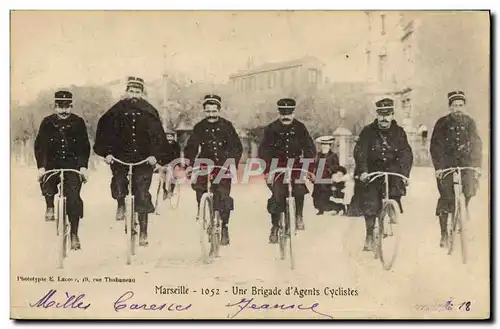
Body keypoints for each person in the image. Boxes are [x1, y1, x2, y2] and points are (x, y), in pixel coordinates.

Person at [93, 76, 168, 247]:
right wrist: (107, 153)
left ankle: (143, 231)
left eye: (138, 91)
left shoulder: (150, 111)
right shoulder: (115, 111)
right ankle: (120, 203)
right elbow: (104, 132)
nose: (134, 94)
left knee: (142, 193)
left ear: (142, 93)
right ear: (126, 92)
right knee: (119, 182)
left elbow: (158, 137)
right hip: (120, 159)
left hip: (144, 160)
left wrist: (155, 156)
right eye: (131, 91)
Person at [353, 98, 413, 251]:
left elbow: (406, 153)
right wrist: (364, 171)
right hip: (372, 172)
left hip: (393, 172)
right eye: (381, 114)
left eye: (387, 114)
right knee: (370, 203)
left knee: (395, 191)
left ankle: (392, 208)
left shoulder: (399, 132)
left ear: (392, 115)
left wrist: (404, 174)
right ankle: (369, 235)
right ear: (377, 115)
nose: (384, 118)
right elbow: (360, 152)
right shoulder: (368, 131)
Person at [183, 94, 243, 246]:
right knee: (199, 188)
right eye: (208, 111)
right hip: (204, 163)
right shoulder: (199, 127)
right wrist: (190, 163)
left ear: (219, 110)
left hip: (223, 165)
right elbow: (191, 146)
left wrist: (232, 162)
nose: (211, 114)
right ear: (204, 111)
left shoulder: (227, 126)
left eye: (214, 111)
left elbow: (236, 146)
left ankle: (224, 227)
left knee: (223, 196)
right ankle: (203, 211)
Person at [34, 90, 90, 250]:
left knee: (73, 198)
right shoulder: (47, 122)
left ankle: (74, 233)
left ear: (71, 106)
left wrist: (83, 167)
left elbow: (84, 146)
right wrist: (41, 167)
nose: (64, 110)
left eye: (67, 107)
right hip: (52, 164)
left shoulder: (78, 122)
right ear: (55, 106)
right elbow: (40, 146)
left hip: (72, 165)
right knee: (46, 181)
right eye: (60, 107)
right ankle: (50, 205)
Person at [258, 98, 316, 243]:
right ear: (279, 113)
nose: (286, 116)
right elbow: (264, 150)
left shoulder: (300, 128)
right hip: (276, 166)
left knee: (299, 187)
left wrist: (308, 169)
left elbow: (310, 148)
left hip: (296, 164)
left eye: (289, 113)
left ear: (293, 113)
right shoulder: (271, 128)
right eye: (283, 113)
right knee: (277, 195)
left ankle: (299, 216)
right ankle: (275, 226)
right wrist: (268, 170)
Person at [430, 90, 482, 248]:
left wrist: (477, 166)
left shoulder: (470, 122)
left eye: (460, 105)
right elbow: (435, 146)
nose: (458, 108)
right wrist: (439, 168)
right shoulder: (442, 123)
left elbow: (476, 144)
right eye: (455, 106)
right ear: (450, 107)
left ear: (464, 106)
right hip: (446, 165)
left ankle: (462, 208)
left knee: (470, 188)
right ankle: (444, 234)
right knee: (446, 197)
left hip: (466, 164)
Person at [311, 136, 339, 215]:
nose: (324, 146)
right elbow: (314, 165)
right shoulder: (318, 155)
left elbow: (337, 166)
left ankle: (339, 207)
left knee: (324, 197)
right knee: (316, 197)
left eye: (326, 145)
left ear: (330, 146)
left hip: (327, 179)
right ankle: (320, 209)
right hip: (318, 179)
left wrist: (329, 170)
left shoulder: (333, 155)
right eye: (323, 144)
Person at [161, 131, 182, 199]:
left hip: (174, 163)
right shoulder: (163, 145)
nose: (169, 138)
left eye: (170, 136)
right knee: (162, 178)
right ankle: (164, 191)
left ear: (173, 137)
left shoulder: (176, 145)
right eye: (167, 136)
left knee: (174, 175)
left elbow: (178, 155)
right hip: (164, 163)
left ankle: (171, 191)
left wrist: (178, 164)